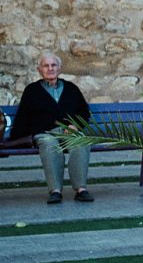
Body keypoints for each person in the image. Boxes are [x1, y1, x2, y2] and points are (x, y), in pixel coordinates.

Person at [8, 52, 92, 203]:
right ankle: (55, 191)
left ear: (59, 68)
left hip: (68, 131)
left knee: (80, 141)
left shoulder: (71, 88)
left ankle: (81, 189)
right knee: (49, 144)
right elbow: (23, 116)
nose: (50, 68)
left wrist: (75, 125)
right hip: (45, 133)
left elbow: (84, 112)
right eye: (46, 66)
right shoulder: (31, 91)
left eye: (53, 65)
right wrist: (14, 139)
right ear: (39, 70)